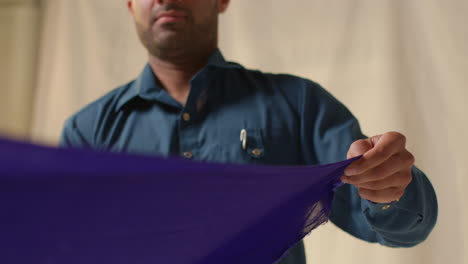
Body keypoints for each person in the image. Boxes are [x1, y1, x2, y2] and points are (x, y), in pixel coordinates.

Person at [60, 0, 438, 263]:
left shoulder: (299, 104)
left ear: (221, 0)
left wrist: (389, 186)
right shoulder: (86, 132)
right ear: (130, 5)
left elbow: (397, 225)